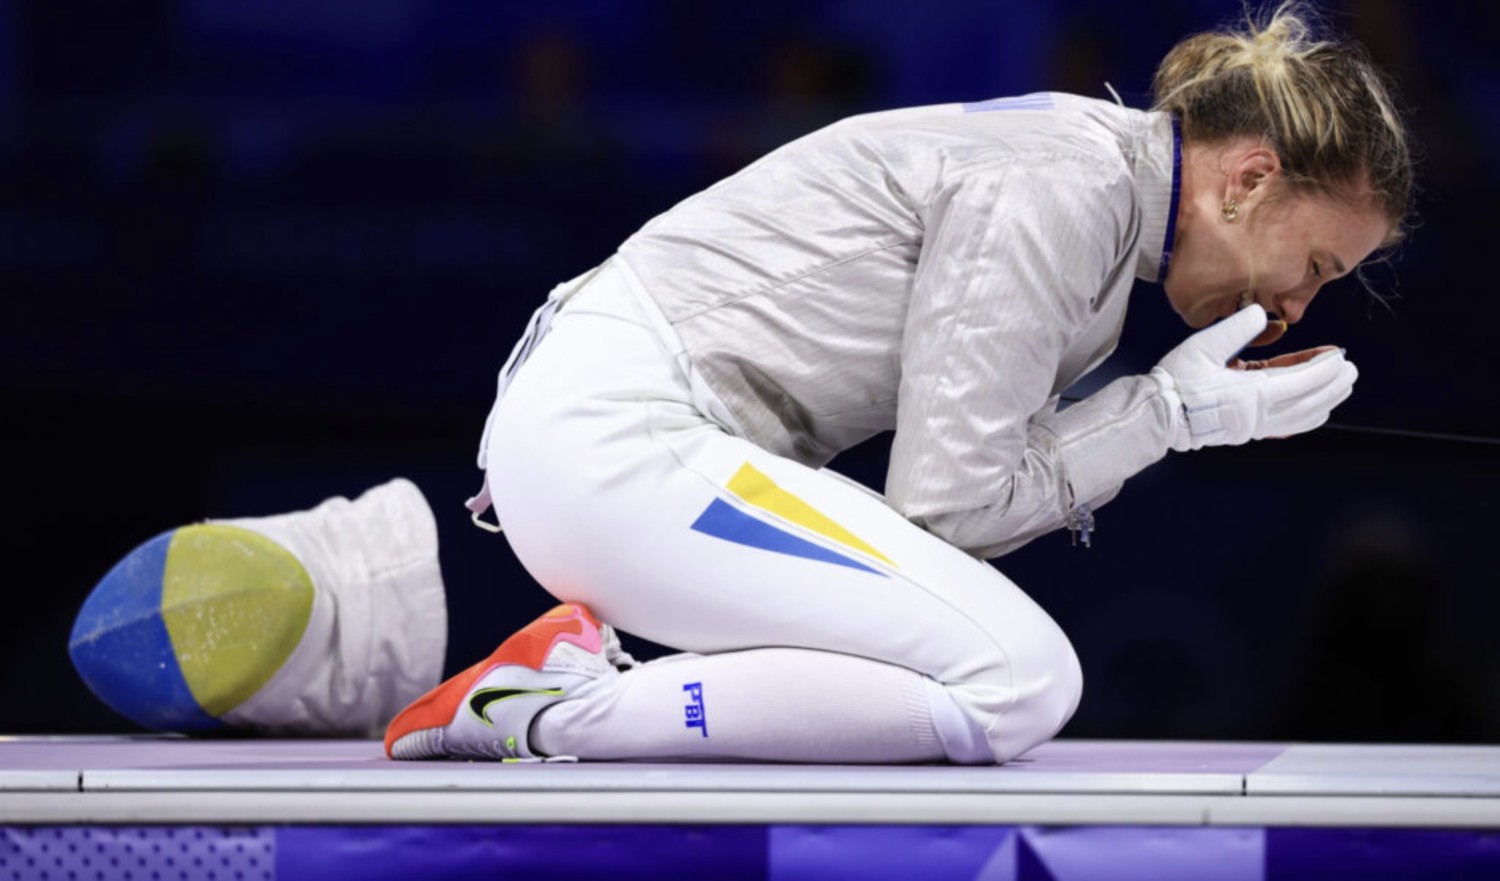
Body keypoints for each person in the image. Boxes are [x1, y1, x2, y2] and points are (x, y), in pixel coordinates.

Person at [70, 3, 1411, 760]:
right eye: (1313, 261)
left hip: (625, 441)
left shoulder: (1090, 186)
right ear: (1247, 180)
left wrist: (1163, 411)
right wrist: (1171, 415)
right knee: (1016, 679)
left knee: (987, 668)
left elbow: (941, 513)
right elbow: (949, 512)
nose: (1298, 303)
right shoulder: (1061, 193)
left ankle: (561, 687)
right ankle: (556, 708)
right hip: (625, 435)